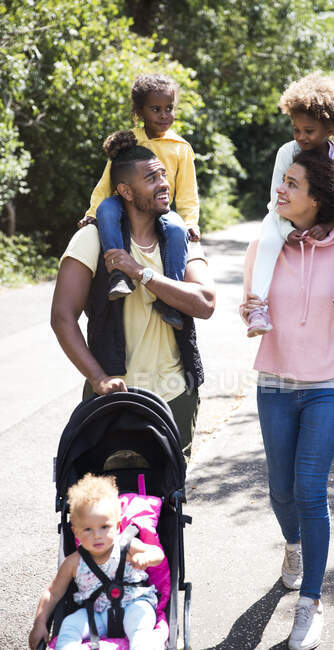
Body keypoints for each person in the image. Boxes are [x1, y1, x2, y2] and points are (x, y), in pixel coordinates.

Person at [241, 151, 334, 650]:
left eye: (291, 184)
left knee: (308, 488)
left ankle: (312, 605)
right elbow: (250, 307)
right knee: (279, 489)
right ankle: (294, 546)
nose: (279, 190)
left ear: (318, 198)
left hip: (331, 384)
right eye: (282, 181)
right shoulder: (266, 245)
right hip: (275, 383)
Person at [51, 129, 215, 458]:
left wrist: (141, 273)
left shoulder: (181, 241)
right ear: (125, 190)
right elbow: (62, 317)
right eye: (151, 178)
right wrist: (98, 379)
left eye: (163, 175)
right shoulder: (92, 240)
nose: (164, 183)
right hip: (113, 393)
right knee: (106, 500)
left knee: (167, 501)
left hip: (175, 394)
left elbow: (205, 303)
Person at [247, 72, 334, 338]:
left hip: (330, 216)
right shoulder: (287, 152)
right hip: (283, 217)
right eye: (296, 129)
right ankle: (257, 306)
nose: (301, 136)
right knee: (267, 238)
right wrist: (286, 231)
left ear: (330, 128)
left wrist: (328, 224)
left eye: (309, 130)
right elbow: (276, 199)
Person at [81, 73, 201, 330]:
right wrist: (91, 213)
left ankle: (170, 299)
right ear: (140, 111)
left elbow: (189, 192)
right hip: (122, 203)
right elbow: (106, 182)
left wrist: (191, 221)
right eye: (155, 109)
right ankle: (119, 275)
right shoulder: (129, 140)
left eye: (169, 108)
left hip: (159, 209)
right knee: (106, 211)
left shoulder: (181, 147)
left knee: (177, 230)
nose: (164, 115)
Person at [28, 473, 165, 650]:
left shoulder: (126, 545)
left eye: (104, 527)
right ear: (75, 532)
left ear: (117, 526)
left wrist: (147, 557)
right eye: (87, 529)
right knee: (70, 625)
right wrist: (39, 623)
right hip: (97, 614)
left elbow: (157, 553)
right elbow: (52, 593)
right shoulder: (74, 562)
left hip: (135, 603)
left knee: (140, 627)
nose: (97, 535)